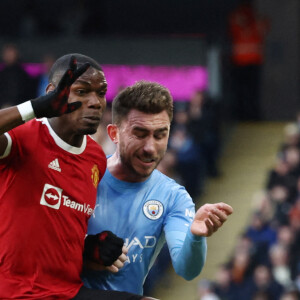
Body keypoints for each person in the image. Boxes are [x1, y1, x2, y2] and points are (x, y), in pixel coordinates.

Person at [0, 54, 155, 300]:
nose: (95, 102)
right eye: (82, 92)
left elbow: (55, 227)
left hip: (67, 291)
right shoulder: (22, 137)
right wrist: (35, 107)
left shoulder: (95, 158)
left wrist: (91, 249)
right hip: (14, 291)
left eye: (101, 93)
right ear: (52, 93)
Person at [82, 81, 233, 295]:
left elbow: (187, 269)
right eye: (140, 134)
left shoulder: (174, 197)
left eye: (160, 135)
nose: (150, 148)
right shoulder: (82, 178)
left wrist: (195, 237)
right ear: (114, 134)